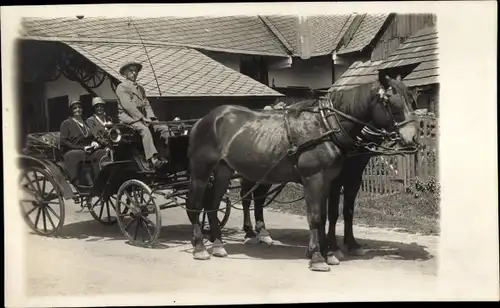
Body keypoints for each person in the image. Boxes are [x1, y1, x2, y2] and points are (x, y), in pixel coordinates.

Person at [114, 59, 170, 169]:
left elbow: (146, 105)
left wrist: (151, 118)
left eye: (136, 71)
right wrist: (142, 118)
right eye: (131, 71)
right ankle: (152, 159)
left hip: (144, 118)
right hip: (129, 118)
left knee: (164, 128)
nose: (134, 73)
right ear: (124, 73)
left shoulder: (141, 89)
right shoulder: (121, 87)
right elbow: (128, 106)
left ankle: (170, 154)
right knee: (145, 130)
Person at [59, 100, 109, 186]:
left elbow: (93, 136)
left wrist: (94, 142)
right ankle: (83, 183)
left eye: (79, 107)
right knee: (81, 154)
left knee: (102, 152)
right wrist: (81, 148)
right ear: (71, 110)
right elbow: (63, 141)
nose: (77, 110)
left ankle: (101, 180)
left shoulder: (85, 122)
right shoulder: (66, 123)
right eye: (75, 108)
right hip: (72, 150)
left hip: (88, 149)